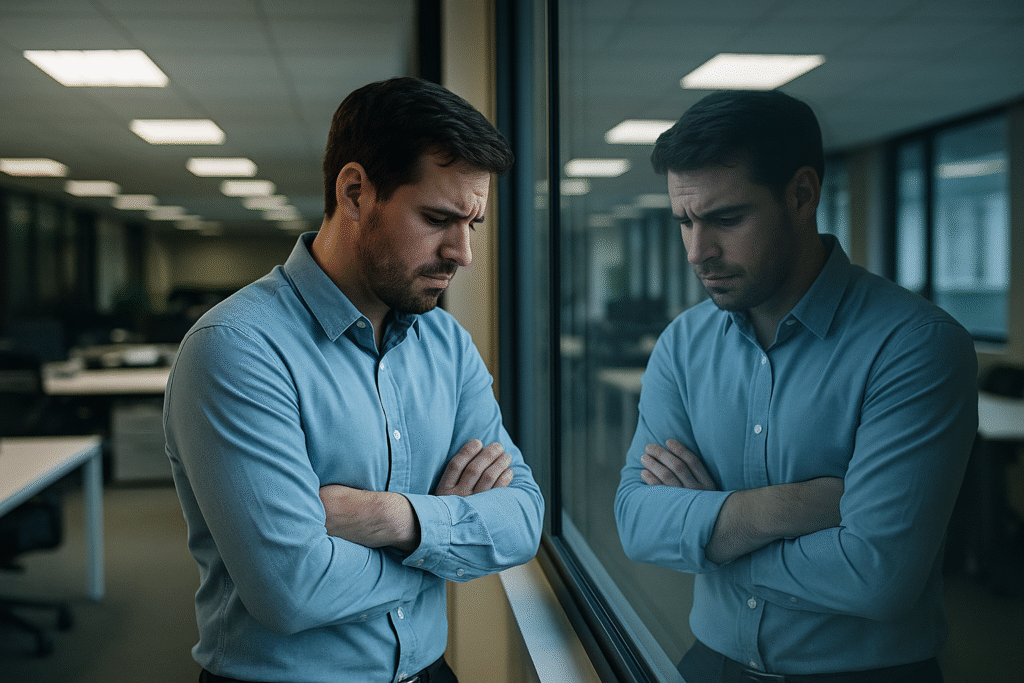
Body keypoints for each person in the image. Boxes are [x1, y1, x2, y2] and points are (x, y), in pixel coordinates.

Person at [164, 77, 544, 683]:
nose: (463, 253)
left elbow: (523, 519)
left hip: (430, 672)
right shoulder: (236, 350)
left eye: (472, 223)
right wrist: (447, 540)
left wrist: (393, 519)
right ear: (355, 191)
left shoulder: (447, 346)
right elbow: (294, 589)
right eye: (439, 219)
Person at [614, 89, 978, 682]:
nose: (698, 252)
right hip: (712, 665)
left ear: (802, 195)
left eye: (727, 219)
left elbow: (876, 575)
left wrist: (706, 536)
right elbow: (636, 521)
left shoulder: (915, 344)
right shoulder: (683, 345)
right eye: (685, 221)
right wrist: (793, 507)